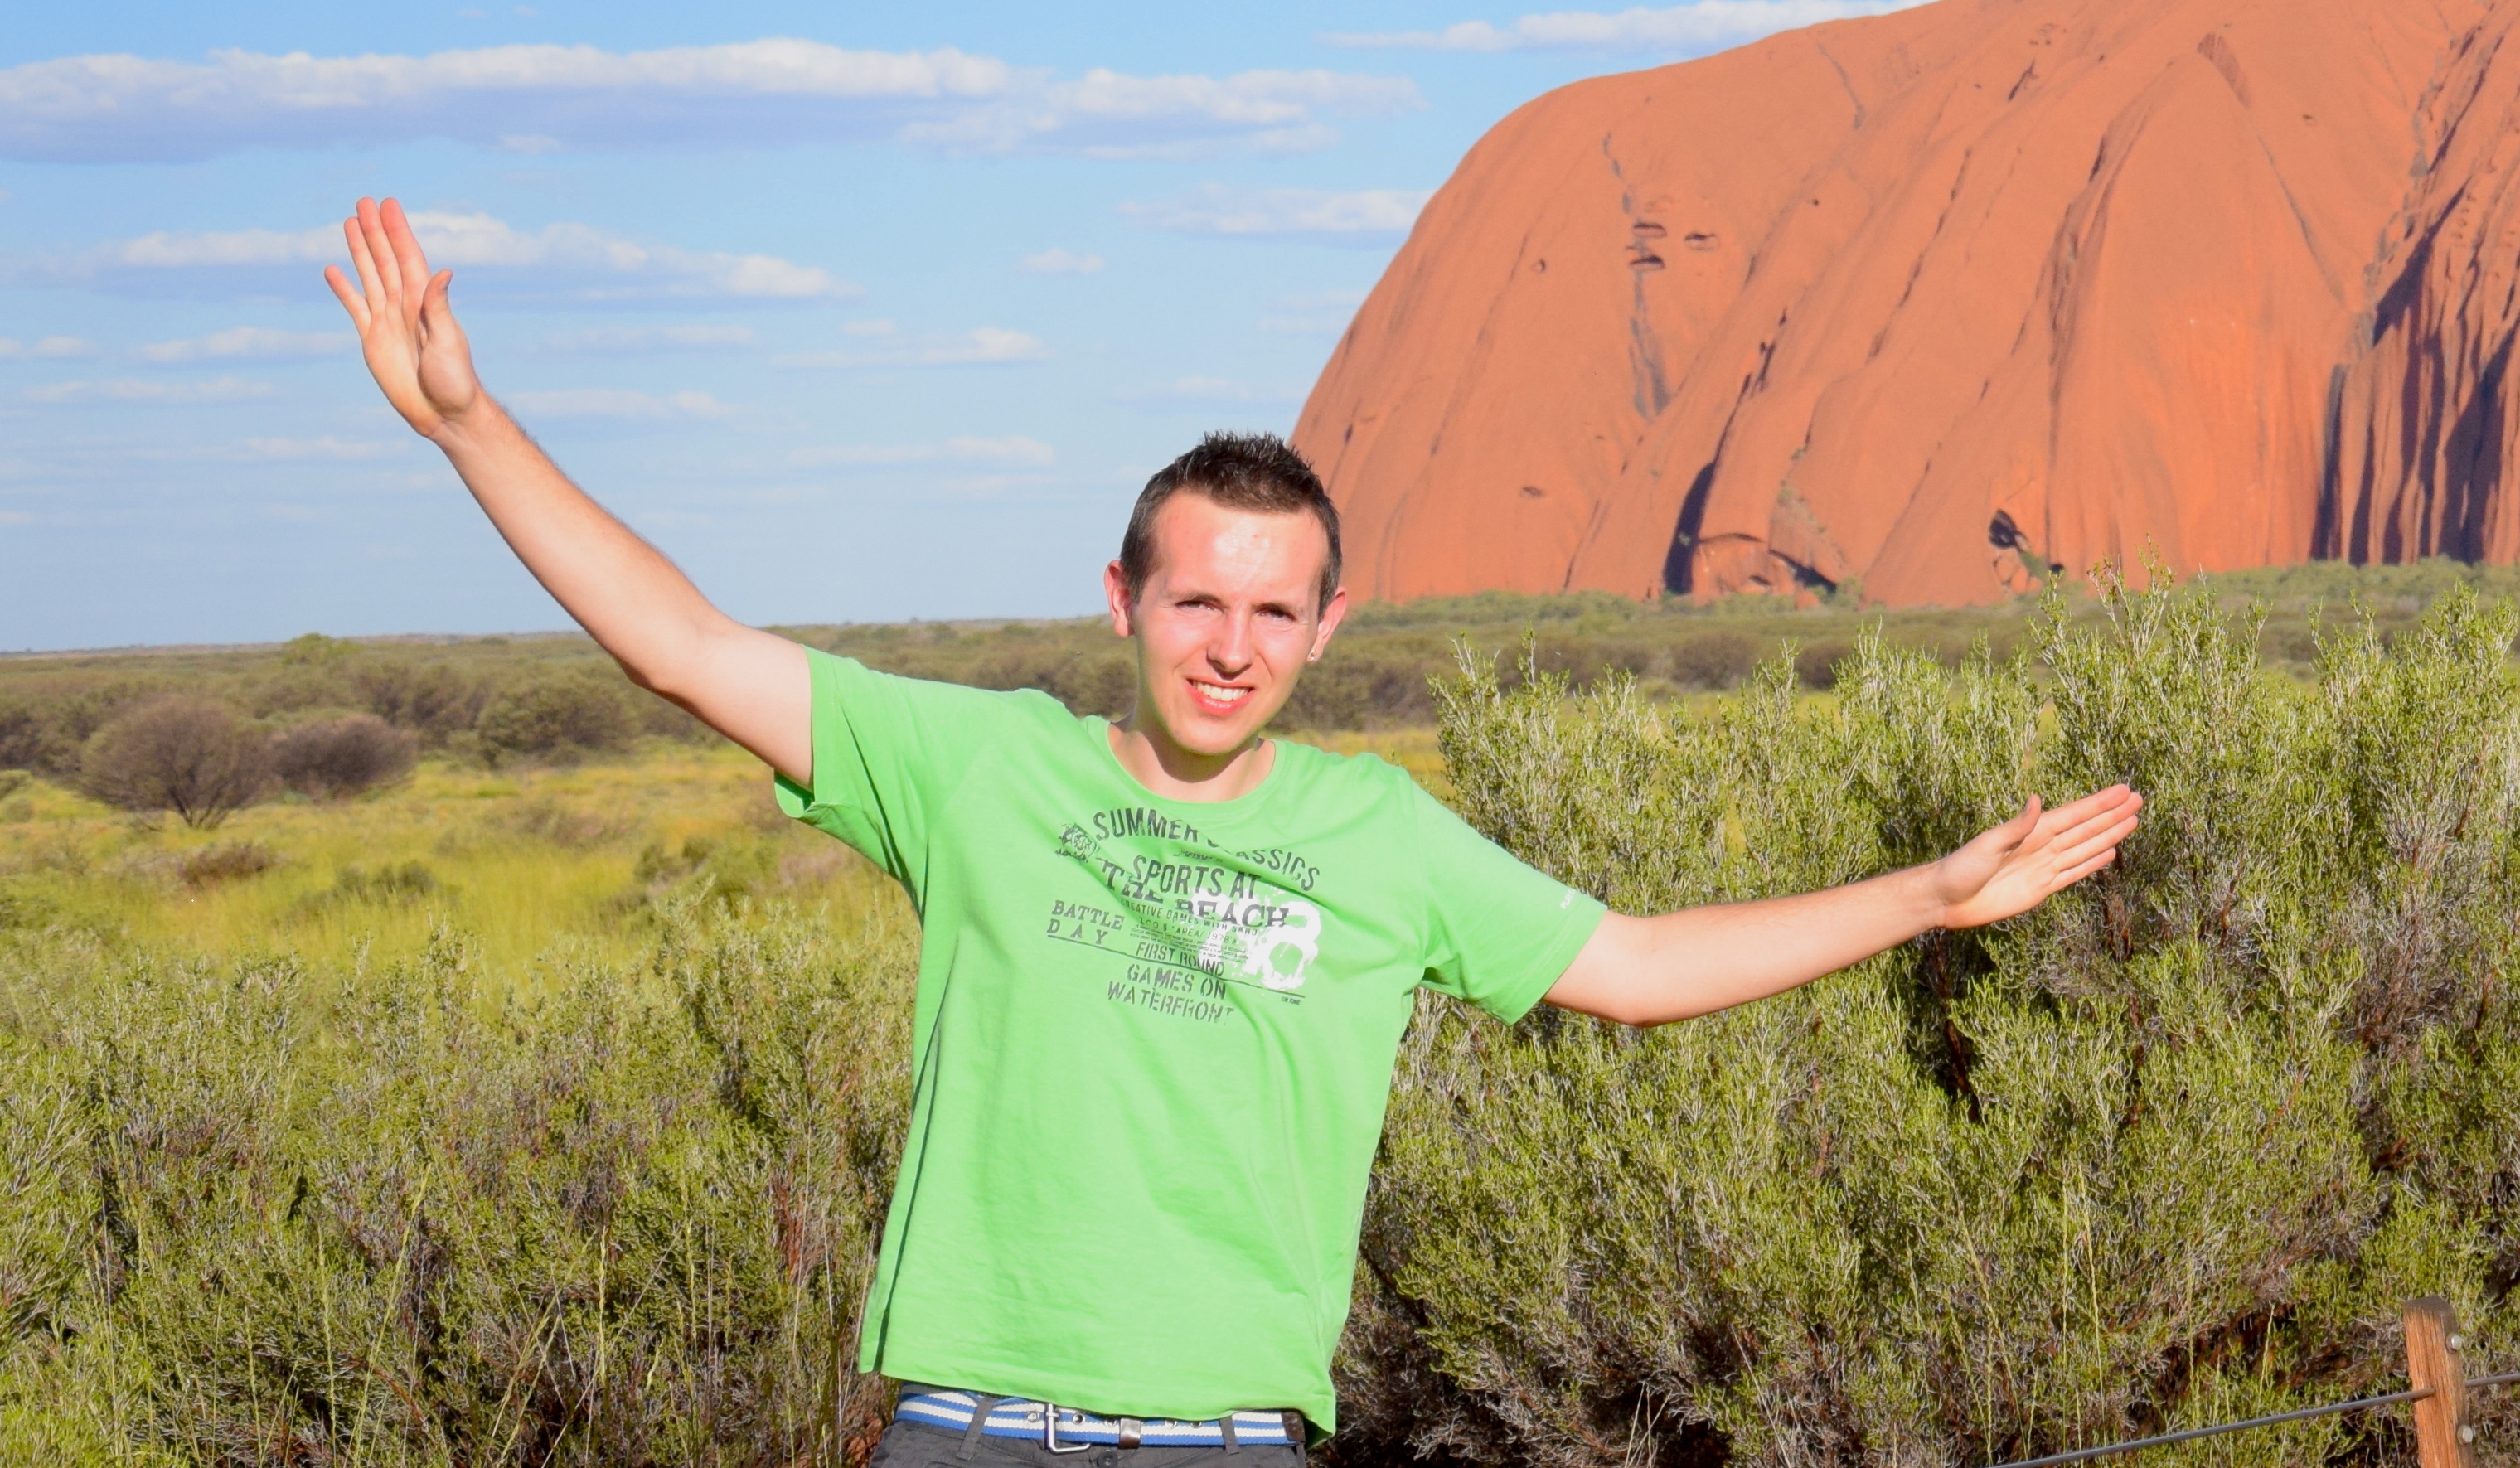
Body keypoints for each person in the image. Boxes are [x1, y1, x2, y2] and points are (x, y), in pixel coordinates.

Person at [325, 195, 2140, 1458]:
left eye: (1277, 613)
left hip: (1230, 1436)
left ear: (1328, 628)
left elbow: (1638, 965)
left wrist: (1927, 893)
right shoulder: (979, 769)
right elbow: (685, 644)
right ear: (1121, 594)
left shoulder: (1384, 834)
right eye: (1198, 601)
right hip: (971, 1421)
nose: (1232, 645)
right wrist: (471, 426)